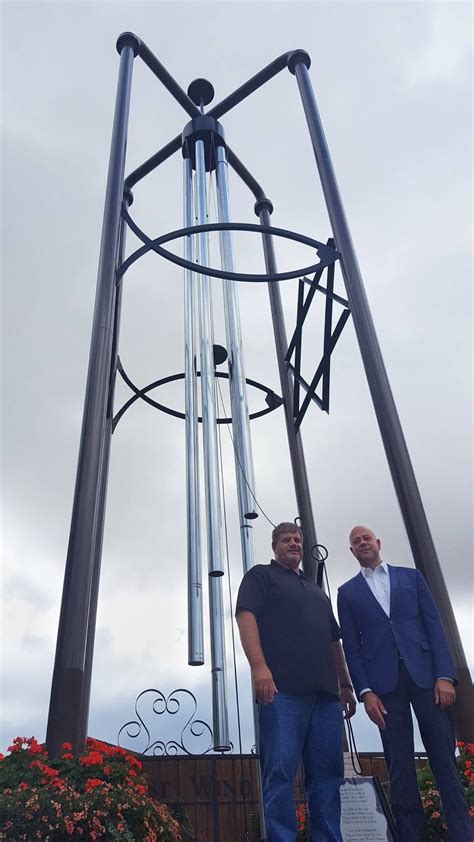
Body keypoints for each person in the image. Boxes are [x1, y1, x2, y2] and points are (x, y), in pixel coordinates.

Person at [337, 525, 472, 842]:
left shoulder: (410, 578)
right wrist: (365, 692)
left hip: (427, 679)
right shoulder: (348, 593)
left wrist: (444, 675)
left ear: (378, 542)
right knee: (400, 769)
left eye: (366, 538)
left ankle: (464, 836)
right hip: (384, 689)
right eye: (356, 542)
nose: (362, 543)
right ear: (352, 551)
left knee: (444, 762)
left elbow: (434, 627)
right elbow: (351, 649)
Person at [236, 522, 356, 842]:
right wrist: (259, 668)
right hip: (282, 692)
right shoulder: (260, 576)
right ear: (274, 546)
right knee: (279, 774)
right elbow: (245, 616)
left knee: (328, 776)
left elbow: (334, 642)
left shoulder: (317, 591)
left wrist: (344, 684)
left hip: (326, 698)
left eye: (298, 540)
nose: (294, 543)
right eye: (286, 539)